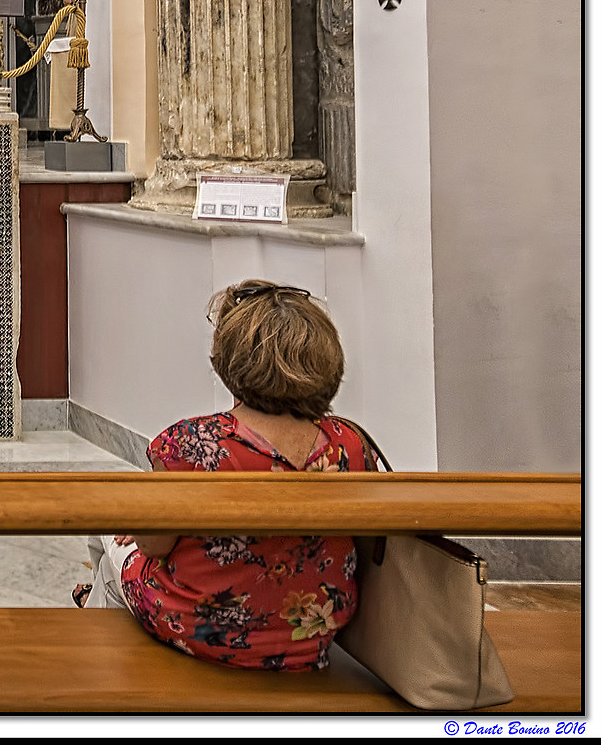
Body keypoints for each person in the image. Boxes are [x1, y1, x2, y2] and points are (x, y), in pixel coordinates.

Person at [78, 281, 378, 671]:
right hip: (309, 634)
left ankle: (98, 637)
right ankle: (97, 602)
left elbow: (153, 547)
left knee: (109, 537)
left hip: (203, 628)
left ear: (231, 362)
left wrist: (138, 526)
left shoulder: (187, 444)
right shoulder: (350, 444)